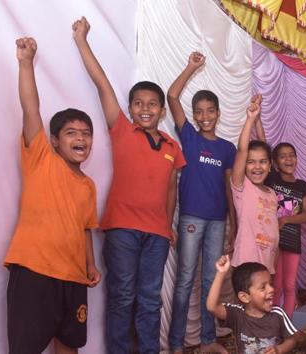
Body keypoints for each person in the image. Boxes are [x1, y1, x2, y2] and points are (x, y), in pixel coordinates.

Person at [73, 17, 186, 353]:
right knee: (122, 296)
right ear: (131, 109)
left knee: (150, 300)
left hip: (157, 235)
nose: (145, 108)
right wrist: (82, 40)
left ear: (162, 110)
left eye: (152, 104)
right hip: (122, 228)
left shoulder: (170, 145)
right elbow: (103, 84)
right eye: (139, 103)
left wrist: (167, 227)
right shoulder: (122, 129)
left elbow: (170, 189)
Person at [5, 37, 101, 354]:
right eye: (72, 132)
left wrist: (90, 265)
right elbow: (30, 107)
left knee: (69, 345)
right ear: (55, 140)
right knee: (26, 347)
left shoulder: (88, 185)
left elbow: (85, 228)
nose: (81, 138)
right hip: (35, 271)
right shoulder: (41, 158)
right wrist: (26, 63)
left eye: (86, 134)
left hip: (73, 279)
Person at [166, 52, 237, 354]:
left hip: (219, 221)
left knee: (211, 282)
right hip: (192, 219)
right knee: (184, 281)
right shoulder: (190, 138)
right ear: (194, 116)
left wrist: (232, 223)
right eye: (199, 111)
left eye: (210, 110)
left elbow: (229, 187)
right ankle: (175, 344)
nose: (205, 115)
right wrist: (191, 67)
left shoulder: (227, 148)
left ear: (218, 113)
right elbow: (171, 95)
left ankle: (208, 341)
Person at [206, 255, 301, 353]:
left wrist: (278, 350)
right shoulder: (237, 314)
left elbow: (292, 340)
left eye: (271, 284)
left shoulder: (278, 314)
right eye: (263, 287)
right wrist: (220, 273)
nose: (272, 289)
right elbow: (212, 307)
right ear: (245, 297)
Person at [264, 142, 306, 317]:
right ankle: (274, 321)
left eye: (291, 155)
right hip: (273, 242)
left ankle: (288, 324)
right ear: (275, 162)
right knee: (275, 285)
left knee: (290, 286)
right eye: (283, 156)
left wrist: (286, 219)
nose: (288, 159)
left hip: (292, 242)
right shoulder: (271, 179)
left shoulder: (302, 186)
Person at [230, 96, 279, 273]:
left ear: (270, 165)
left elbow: (263, 146)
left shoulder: (271, 193)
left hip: (268, 263)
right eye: (250, 162)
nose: (257, 167)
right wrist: (251, 119)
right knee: (248, 301)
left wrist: (258, 119)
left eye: (262, 162)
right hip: (247, 262)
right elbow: (243, 150)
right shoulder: (242, 187)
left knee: (264, 301)